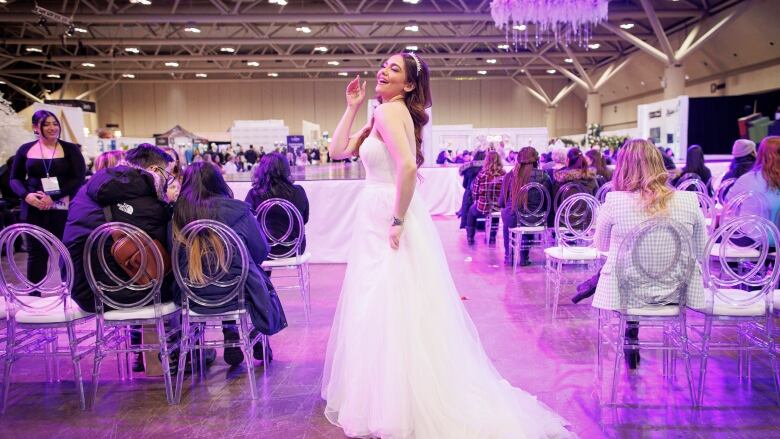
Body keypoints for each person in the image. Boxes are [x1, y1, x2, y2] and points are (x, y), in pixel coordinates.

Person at [322, 52, 570, 438]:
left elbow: (406, 166)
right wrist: (352, 107)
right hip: (383, 212)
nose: (382, 71)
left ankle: (394, 403)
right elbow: (337, 150)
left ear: (408, 84)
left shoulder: (390, 113)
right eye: (384, 65)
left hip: (387, 212)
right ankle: (396, 397)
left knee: (384, 303)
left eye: (393, 69)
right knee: (393, 306)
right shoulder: (384, 112)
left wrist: (397, 220)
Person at [592, 138, 707, 369]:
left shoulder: (614, 202)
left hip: (626, 294)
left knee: (624, 269)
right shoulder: (688, 200)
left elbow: (600, 246)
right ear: (658, 163)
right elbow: (701, 248)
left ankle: (629, 335)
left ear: (623, 167)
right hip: (674, 293)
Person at [171, 162, 285, 366]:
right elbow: (261, 250)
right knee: (249, 273)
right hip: (236, 292)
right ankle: (254, 331)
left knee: (222, 271)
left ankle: (230, 332)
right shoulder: (238, 211)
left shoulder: (176, 216)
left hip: (192, 295)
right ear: (218, 182)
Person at [10, 110, 86, 294]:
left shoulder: (70, 149)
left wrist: (54, 196)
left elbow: (78, 178)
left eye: (55, 123)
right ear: (36, 127)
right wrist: (26, 196)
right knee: (36, 253)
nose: (52, 128)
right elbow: (14, 178)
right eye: (46, 124)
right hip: (33, 207)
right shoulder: (25, 149)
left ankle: (73, 293)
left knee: (68, 250)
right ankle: (34, 295)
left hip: (63, 207)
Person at [245, 152, 310, 256]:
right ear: (286, 169)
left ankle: (262, 272)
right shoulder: (299, 191)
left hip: (265, 250)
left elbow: (247, 222)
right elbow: (304, 220)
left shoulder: (255, 194)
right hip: (295, 249)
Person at [499, 146, 552, 266]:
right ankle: (524, 257)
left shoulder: (510, 176)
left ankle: (509, 255)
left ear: (518, 159)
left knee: (509, 216)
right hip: (537, 219)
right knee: (528, 215)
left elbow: (501, 202)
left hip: (514, 218)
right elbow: (548, 201)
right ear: (537, 159)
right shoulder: (545, 177)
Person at [728, 136, 780, 245]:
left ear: (761, 154)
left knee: (722, 235)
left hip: (754, 242)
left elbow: (728, 203)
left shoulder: (748, 179)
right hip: (776, 244)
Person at [465, 149, 505, 245]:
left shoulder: (482, 174)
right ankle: (492, 237)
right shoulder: (504, 174)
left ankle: (470, 236)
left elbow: (475, 191)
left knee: (471, 211)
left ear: (486, 161)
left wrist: (476, 200)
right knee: (495, 213)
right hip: (498, 207)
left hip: (483, 206)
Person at [457, 149, 485, 229]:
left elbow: (464, 184)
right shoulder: (486, 169)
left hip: (469, 194)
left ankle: (467, 226)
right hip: (482, 195)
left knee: (467, 205)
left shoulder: (468, 168)